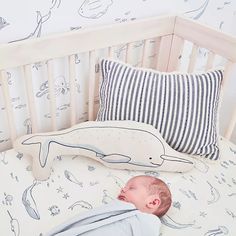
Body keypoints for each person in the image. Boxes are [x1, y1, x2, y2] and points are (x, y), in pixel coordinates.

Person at [46, 175, 172, 236]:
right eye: (125, 187)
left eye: (131, 188)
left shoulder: (149, 222)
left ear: (153, 202)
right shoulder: (114, 210)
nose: (123, 189)